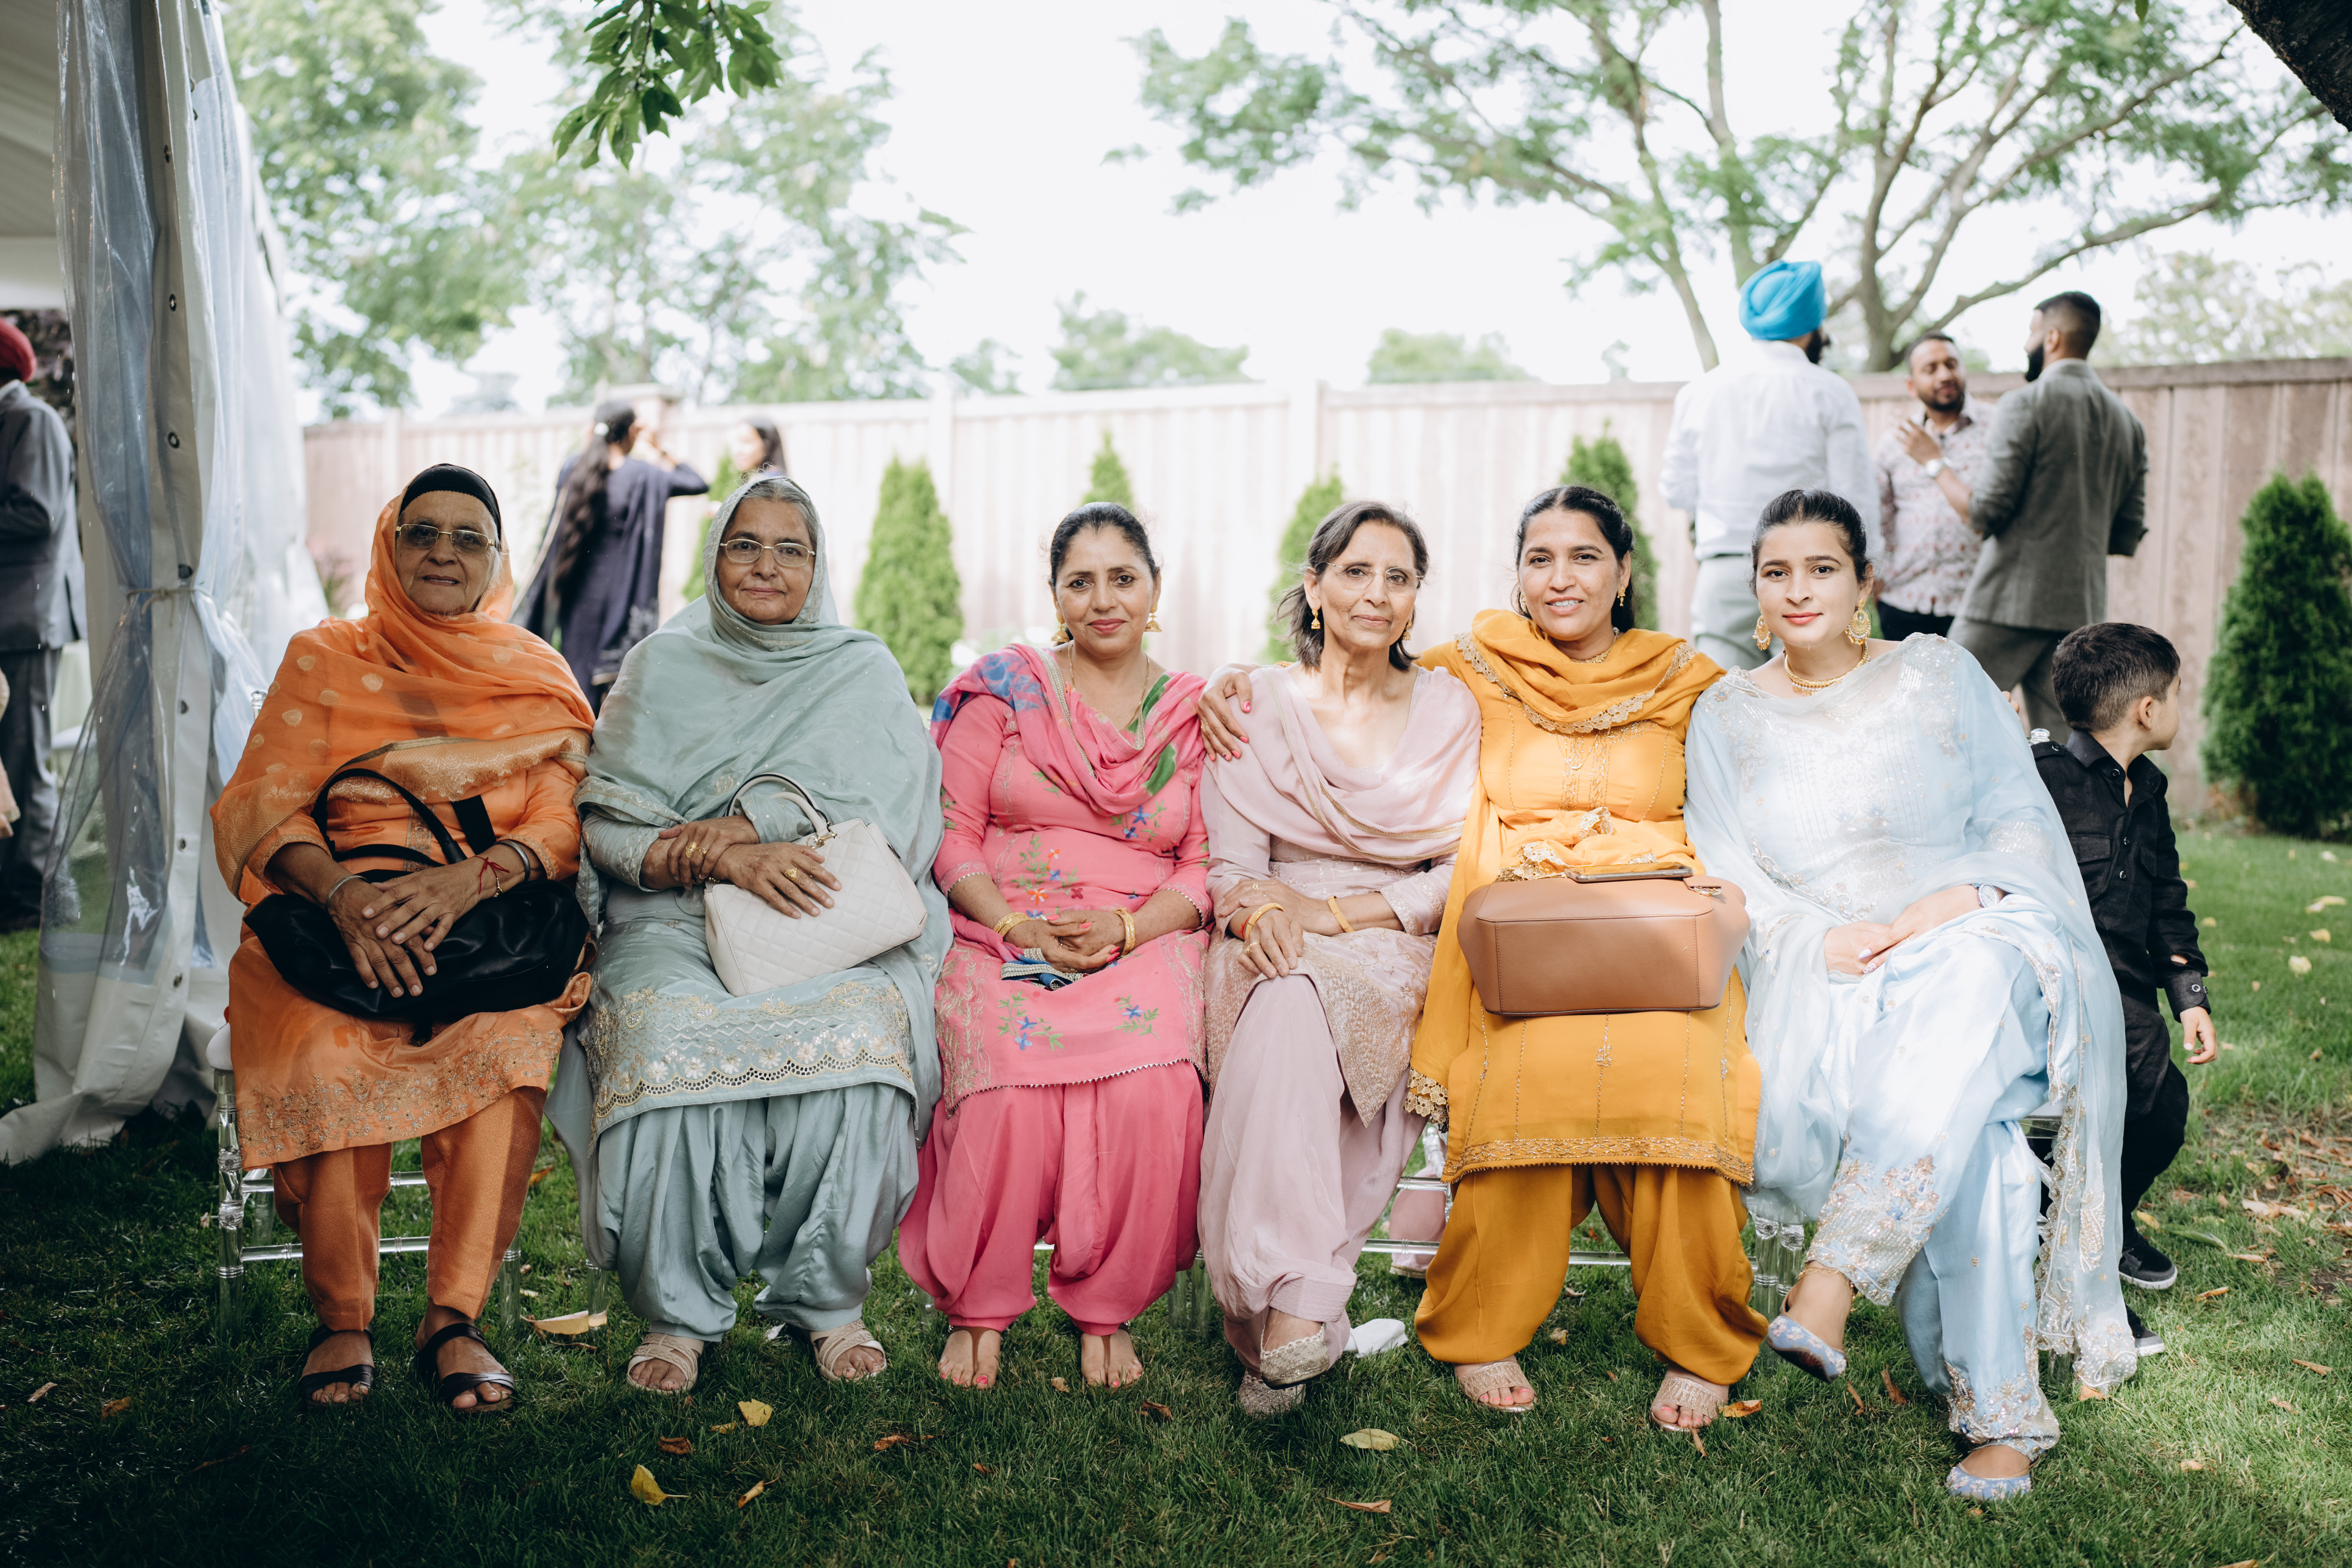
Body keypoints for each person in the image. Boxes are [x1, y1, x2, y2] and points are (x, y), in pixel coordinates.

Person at [1206, 485, 1768, 1425]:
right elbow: (1350, 670)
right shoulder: (1477, 672)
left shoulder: (1685, 679)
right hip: (1524, 943)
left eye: (1584, 557)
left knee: (1680, 1072)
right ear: (1516, 574)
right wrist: (1233, 678)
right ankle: (1482, 1322)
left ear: (1625, 572)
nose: (1560, 578)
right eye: (1539, 559)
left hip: (1657, 936)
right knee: (1516, 1071)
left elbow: (1764, 753)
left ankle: (1698, 1337)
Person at [1683, 488, 2134, 1502]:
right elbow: (1725, 867)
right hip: (1836, 969)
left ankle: (1834, 1276)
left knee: (1966, 976)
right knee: (1983, 1139)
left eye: (1822, 568)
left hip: (1980, 934)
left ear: (1866, 583)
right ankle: (2001, 1417)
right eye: (1776, 572)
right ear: (1754, 591)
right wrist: (1816, 938)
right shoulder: (1725, 713)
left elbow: (2017, 814)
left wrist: (1953, 902)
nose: (1799, 590)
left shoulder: (1937, 671)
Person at [211, 465, 598, 1413]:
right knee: (326, 1045)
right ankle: (342, 1316)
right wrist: (348, 898)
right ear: (390, 547)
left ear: (497, 559)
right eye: (422, 532)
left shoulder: (534, 672)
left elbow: (564, 812)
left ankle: (453, 1318)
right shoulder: (326, 657)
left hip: (487, 927)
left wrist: (468, 881)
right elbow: (262, 802)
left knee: (509, 1045)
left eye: (469, 538)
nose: (443, 552)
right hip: (340, 922)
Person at [552, 474, 950, 1393]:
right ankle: (677, 1312)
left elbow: (893, 814)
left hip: (819, 914)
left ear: (817, 566)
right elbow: (605, 826)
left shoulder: (860, 668)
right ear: (714, 558)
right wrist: (718, 860)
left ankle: (826, 1299)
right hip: (672, 915)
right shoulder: (661, 665)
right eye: (745, 545)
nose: (767, 565)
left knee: (861, 1042)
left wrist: (757, 825)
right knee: (664, 1038)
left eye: (789, 549)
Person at [898, 503, 1210, 1392]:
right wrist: (1012, 925)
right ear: (1055, 596)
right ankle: (978, 1303)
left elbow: (1201, 865)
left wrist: (1128, 929)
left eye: (1123, 579)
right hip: (1004, 926)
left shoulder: (1192, 713)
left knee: (1154, 1083)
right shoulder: (1005, 692)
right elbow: (952, 834)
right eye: (1081, 582)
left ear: (1155, 590)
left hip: (1140, 932)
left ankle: (1109, 1304)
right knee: (1004, 1076)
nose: (1103, 600)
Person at [1196, 501, 1480, 1416]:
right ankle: (1297, 1312)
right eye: (1356, 571)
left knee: (1310, 999)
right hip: (1272, 927)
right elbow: (1234, 867)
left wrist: (1341, 914)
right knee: (1285, 996)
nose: (1376, 593)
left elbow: (1459, 867)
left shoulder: (1449, 710)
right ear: (1313, 587)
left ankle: (1280, 1314)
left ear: (1415, 599)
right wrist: (1256, 916)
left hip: (1395, 935)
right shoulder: (1254, 706)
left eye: (1398, 577)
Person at [2035, 623, 2214, 1325]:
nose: (2178, 707)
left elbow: (2166, 899)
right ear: (2146, 709)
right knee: (2106, 1101)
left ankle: (2107, 1220)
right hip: (2059, 987)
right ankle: (2068, 1240)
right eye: (2175, 694)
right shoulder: (2042, 779)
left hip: (2129, 989)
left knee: (2161, 1111)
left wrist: (2188, 995)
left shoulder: (2150, 792)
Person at [1663, 259, 1877, 673]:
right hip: (1811, 571)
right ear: (1813, 325)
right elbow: (1856, 496)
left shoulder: (1698, 392)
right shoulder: (1831, 391)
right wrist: (1867, 573)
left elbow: (1676, 490)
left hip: (1724, 568)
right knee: (1815, 696)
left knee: (1723, 697)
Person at [1953, 291, 2148, 734]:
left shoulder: (2024, 403)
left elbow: (1985, 511)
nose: (2027, 344)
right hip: (2080, 613)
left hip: (2005, 604)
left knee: (1938, 714)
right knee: (2065, 753)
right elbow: (2126, 533)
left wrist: (1934, 465)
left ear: (2052, 337)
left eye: (2031, 333)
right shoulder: (2129, 425)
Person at [514, 398, 709, 711]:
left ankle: (573, 734)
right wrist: (660, 446)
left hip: (575, 591)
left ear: (594, 429)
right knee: (613, 688)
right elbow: (697, 482)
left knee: (577, 676)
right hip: (622, 594)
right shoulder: (644, 475)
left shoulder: (574, 468)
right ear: (633, 432)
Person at [0, 317, 83, 931]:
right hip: (11, 618)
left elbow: (37, 512)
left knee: (25, 761)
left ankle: (34, 900)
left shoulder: (33, 420)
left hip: (26, 619)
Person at [1873, 331, 1993, 641]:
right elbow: (1879, 519)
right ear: (1911, 386)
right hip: (1904, 600)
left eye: (1951, 364)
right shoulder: (1894, 442)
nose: (1944, 375)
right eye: (1931, 369)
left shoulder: (1998, 429)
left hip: (1977, 603)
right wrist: (1878, 584)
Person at [727, 416, 788, 480]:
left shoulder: (768, 482)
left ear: (766, 445)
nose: (738, 450)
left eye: (747, 441)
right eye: (737, 441)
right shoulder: (775, 478)